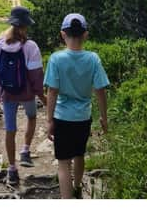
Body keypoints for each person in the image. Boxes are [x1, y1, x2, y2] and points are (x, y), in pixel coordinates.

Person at [44, 13, 109, 199]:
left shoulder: (56, 59)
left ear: (63, 34)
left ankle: (67, 199)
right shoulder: (93, 59)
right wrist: (104, 117)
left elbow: (52, 92)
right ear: (85, 34)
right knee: (79, 154)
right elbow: (100, 91)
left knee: (63, 163)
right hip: (83, 117)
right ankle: (78, 186)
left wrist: (49, 120)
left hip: (62, 117)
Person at [0, 6, 46, 186]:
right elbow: (36, 75)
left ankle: (12, 170)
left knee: (10, 130)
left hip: (8, 93)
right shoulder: (31, 46)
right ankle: (25, 150)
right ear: (25, 26)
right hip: (27, 93)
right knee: (31, 117)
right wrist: (42, 96)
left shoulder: (0, 44)